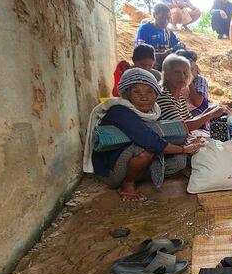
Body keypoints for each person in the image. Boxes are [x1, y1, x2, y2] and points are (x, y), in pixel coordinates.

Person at [83, 68, 204, 201]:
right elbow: (150, 141)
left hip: (136, 162)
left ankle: (139, 176)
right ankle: (127, 184)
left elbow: (162, 134)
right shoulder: (120, 111)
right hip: (111, 170)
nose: (144, 97)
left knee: (179, 160)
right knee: (145, 148)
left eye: (149, 91)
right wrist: (184, 149)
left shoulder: (153, 110)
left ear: (156, 94)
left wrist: (185, 145)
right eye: (136, 92)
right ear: (127, 95)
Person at [158, 54, 226, 133]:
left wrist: (208, 111)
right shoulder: (164, 96)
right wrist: (210, 114)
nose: (182, 76)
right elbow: (179, 127)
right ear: (166, 75)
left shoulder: (179, 96)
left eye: (185, 72)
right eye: (177, 72)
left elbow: (190, 120)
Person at [135, 4, 183, 71]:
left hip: (167, 64)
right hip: (150, 66)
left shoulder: (168, 31)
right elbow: (140, 54)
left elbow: (178, 45)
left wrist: (180, 48)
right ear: (154, 15)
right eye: (162, 17)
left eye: (168, 18)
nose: (166, 21)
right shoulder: (145, 29)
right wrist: (161, 55)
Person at [174, 49, 209, 116]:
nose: (188, 73)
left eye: (191, 69)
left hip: (196, 112)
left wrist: (189, 81)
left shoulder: (199, 80)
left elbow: (197, 103)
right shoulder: (173, 80)